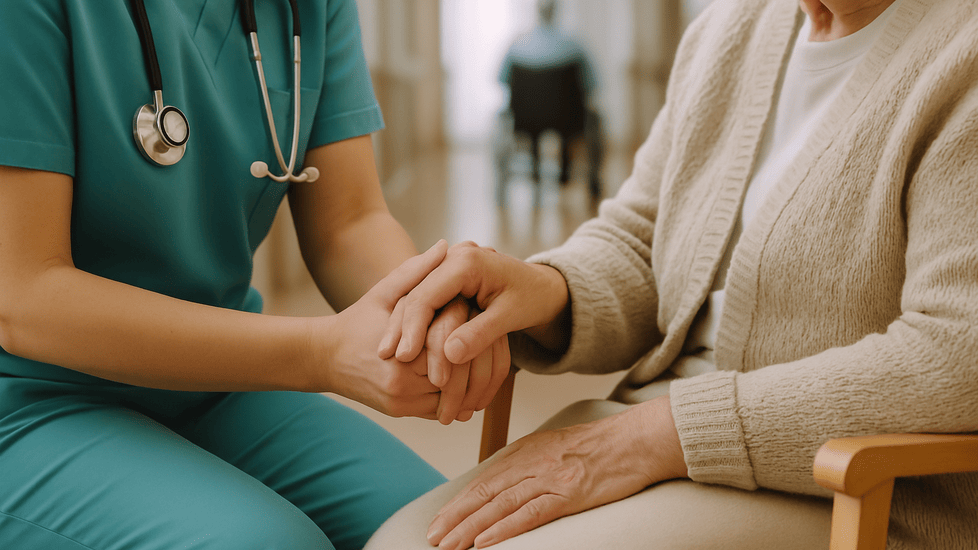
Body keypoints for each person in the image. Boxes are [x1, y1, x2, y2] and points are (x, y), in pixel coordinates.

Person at [367, 0, 978, 548]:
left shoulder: (962, 50)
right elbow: (643, 238)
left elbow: (958, 354)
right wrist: (549, 291)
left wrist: (656, 437)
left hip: (858, 490)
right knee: (400, 544)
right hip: (657, 441)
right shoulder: (729, 30)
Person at [0, 1, 509, 549]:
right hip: (33, 395)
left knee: (457, 533)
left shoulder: (309, 8)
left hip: (221, 382)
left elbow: (349, 220)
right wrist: (322, 352)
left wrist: (423, 307)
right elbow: (24, 296)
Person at [496, 0, 602, 196]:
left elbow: (501, 80)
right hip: (569, 121)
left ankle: (522, 180)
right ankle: (590, 181)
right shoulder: (575, 47)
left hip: (524, 121)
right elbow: (592, 85)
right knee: (596, 117)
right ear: (556, 12)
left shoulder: (516, 47)